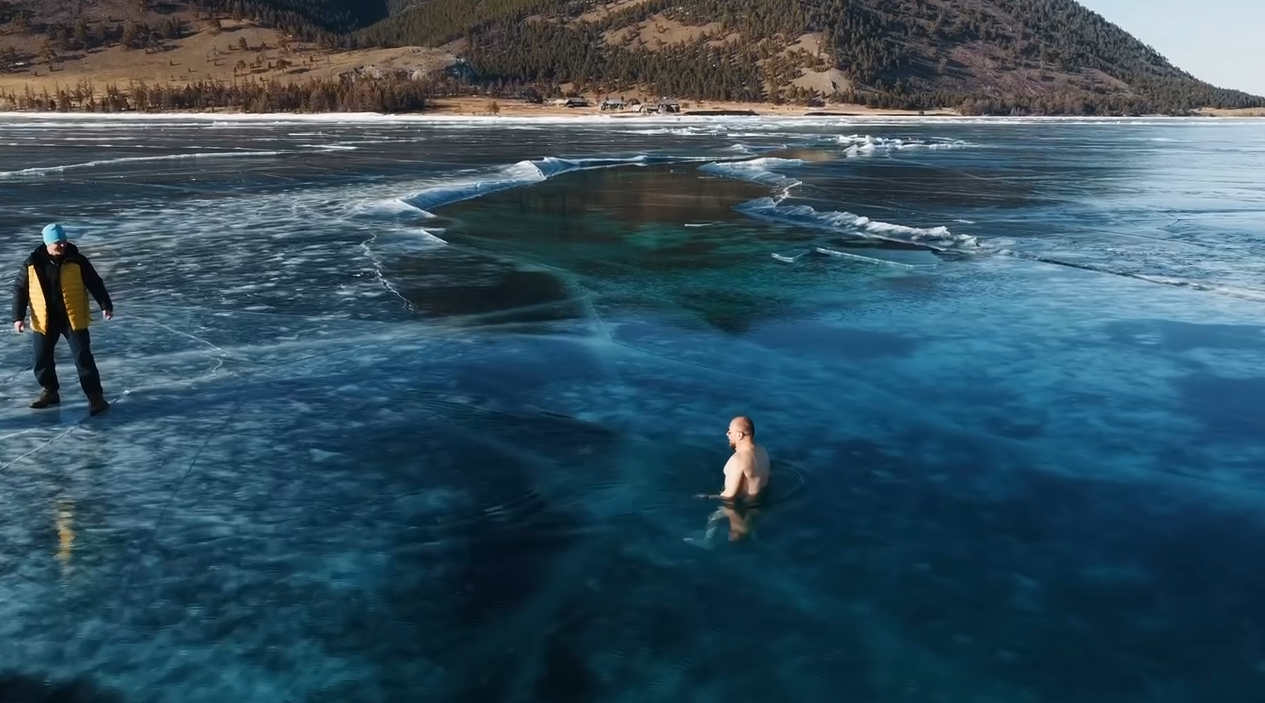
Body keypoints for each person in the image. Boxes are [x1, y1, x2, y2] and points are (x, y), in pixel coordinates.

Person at [10, 223, 114, 416]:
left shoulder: (77, 260)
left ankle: (95, 398)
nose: (63, 245)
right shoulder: (32, 262)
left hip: (72, 319)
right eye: (58, 242)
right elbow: (20, 289)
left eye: (64, 240)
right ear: (48, 243)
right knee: (42, 359)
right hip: (44, 320)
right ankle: (50, 391)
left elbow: (95, 282)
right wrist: (18, 316)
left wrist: (105, 305)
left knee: (83, 358)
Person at [694, 415, 772, 542]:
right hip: (757, 506)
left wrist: (707, 497)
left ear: (740, 435)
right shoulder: (762, 452)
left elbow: (729, 496)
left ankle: (706, 543)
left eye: (730, 432)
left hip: (740, 507)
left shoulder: (738, 460)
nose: (727, 434)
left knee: (713, 517)